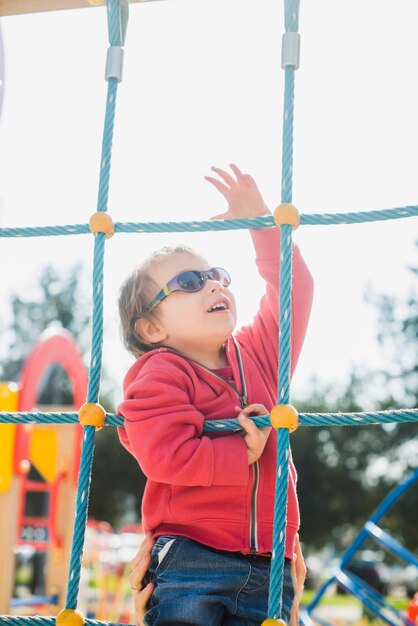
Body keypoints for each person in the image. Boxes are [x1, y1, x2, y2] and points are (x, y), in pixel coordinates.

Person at [117, 164, 314, 625]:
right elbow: (165, 456)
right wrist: (240, 453)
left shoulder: (258, 356)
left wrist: (261, 222)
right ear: (152, 327)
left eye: (216, 275)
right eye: (188, 282)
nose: (213, 283)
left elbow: (295, 290)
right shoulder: (158, 373)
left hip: (272, 561)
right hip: (191, 557)